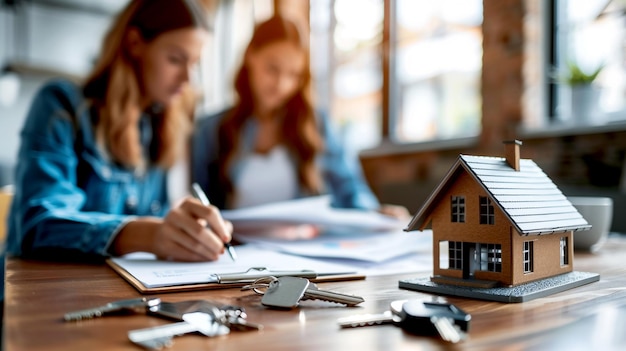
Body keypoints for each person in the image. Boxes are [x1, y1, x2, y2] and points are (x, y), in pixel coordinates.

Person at [2, 0, 233, 304]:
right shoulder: (61, 105)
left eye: (194, 64)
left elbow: (157, 219)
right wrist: (150, 234)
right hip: (40, 304)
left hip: (112, 300)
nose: (188, 80)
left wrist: (185, 231)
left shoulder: (158, 126)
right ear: (135, 43)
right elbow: (39, 225)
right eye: (176, 59)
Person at [191, 15, 409, 220]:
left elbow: (350, 190)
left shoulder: (316, 124)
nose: (281, 85)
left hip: (306, 248)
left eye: (293, 74)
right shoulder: (210, 130)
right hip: (239, 252)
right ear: (251, 56)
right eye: (272, 69)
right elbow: (199, 203)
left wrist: (376, 214)